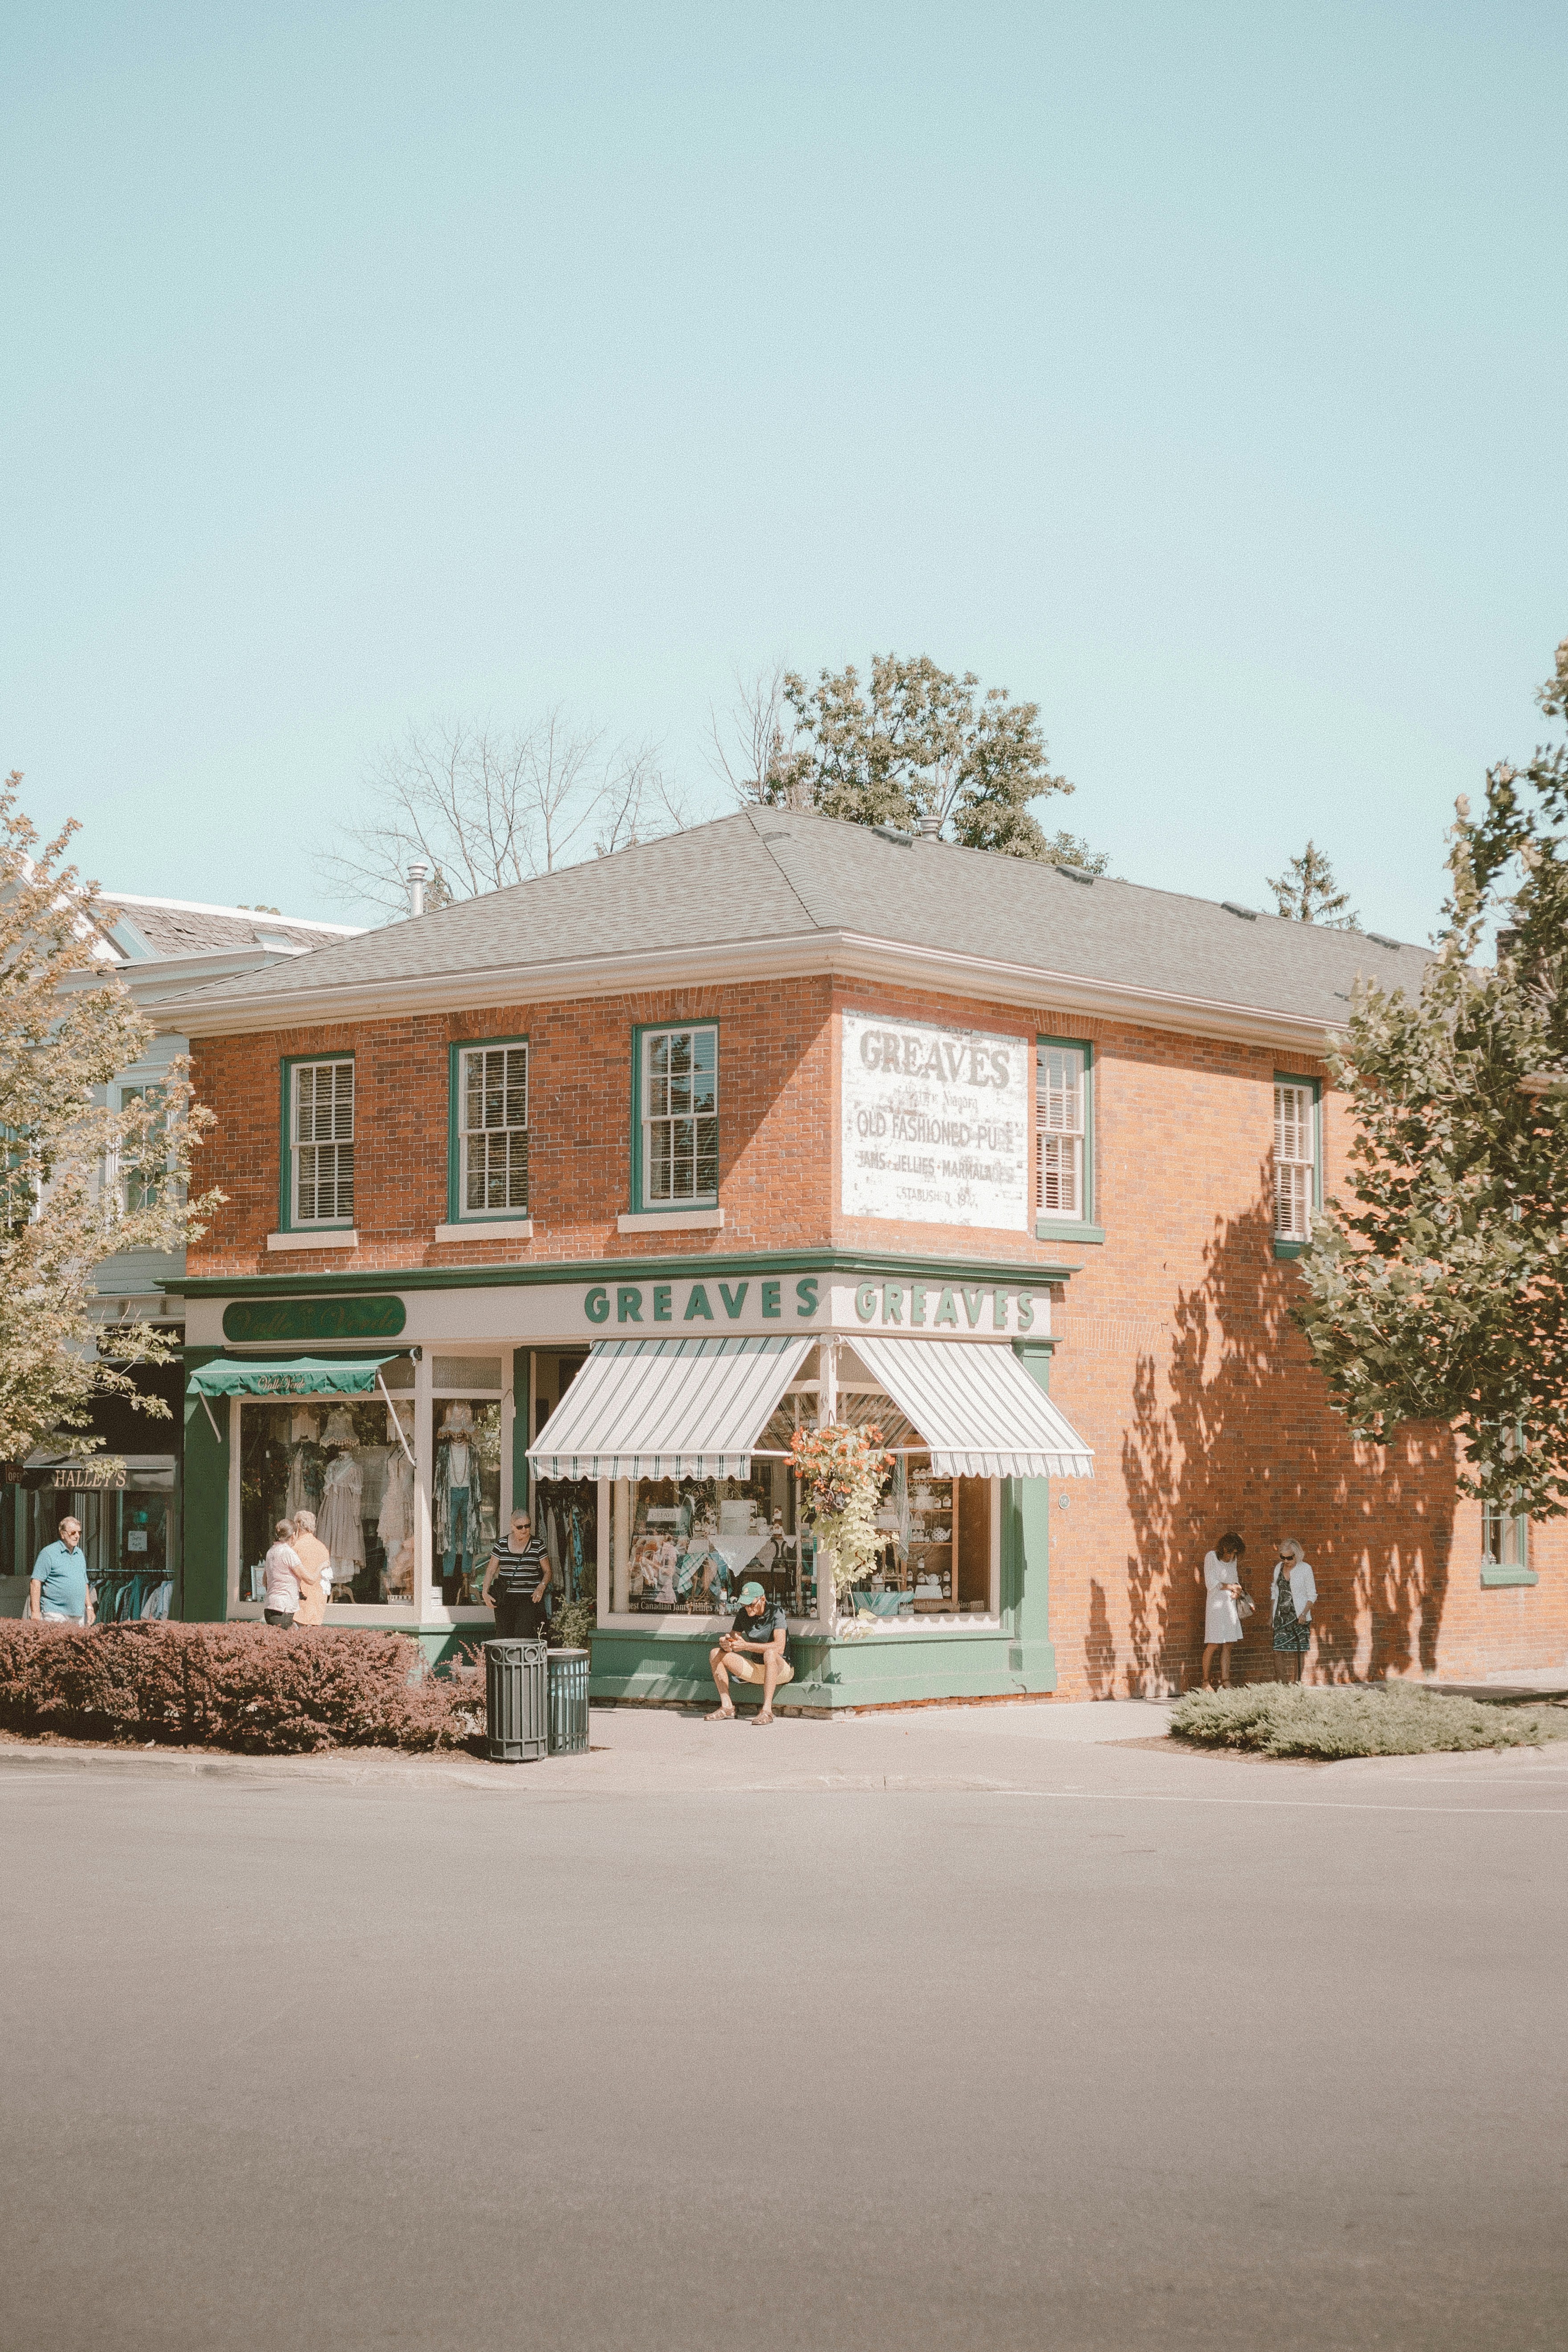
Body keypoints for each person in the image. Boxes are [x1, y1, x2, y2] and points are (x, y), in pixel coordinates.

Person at [707, 1580, 793, 1724]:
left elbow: (780, 1647)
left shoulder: (776, 1612)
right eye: (744, 1604)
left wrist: (746, 1646)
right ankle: (727, 1707)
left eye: (751, 1604)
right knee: (715, 1653)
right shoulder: (743, 1613)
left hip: (781, 1670)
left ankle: (767, 1711)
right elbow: (734, 1638)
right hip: (756, 1669)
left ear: (763, 1600)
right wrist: (726, 1642)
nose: (747, 1608)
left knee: (770, 1653)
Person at [480, 1507, 552, 1637]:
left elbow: (547, 1571)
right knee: (503, 1635)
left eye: (527, 1526)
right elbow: (491, 1570)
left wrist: (541, 1587)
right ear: (512, 1527)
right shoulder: (502, 1544)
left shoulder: (537, 1544)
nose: (524, 1530)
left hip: (529, 1599)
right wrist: (485, 1592)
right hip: (505, 1598)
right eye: (520, 1527)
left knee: (523, 1634)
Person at [1201, 1532, 1247, 1688]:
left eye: (1235, 1553)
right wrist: (1231, 1587)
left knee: (1229, 1644)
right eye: (1230, 1551)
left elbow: (1235, 1580)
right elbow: (1211, 1583)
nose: (1231, 1556)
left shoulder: (1233, 1560)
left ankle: (1226, 1680)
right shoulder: (1211, 1557)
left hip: (1229, 1605)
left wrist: (1237, 1590)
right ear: (1223, 1546)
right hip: (1215, 1606)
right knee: (1214, 1643)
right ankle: (1205, 1682)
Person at [29, 1515, 93, 1626]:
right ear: (63, 1534)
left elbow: (85, 1583)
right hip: (54, 1614)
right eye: (73, 1533)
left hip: (78, 1615)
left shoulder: (80, 1554)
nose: (77, 1536)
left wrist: (89, 1607)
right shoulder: (48, 1553)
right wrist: (36, 1613)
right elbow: (35, 1583)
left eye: (80, 1533)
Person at [1270, 1538, 1317, 1682]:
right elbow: (1274, 1592)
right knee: (1278, 1650)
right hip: (1281, 1616)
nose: (1285, 1561)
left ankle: (1297, 1683)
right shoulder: (1279, 1568)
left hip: (1299, 1616)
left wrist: (1304, 1613)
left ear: (1297, 1555)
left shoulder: (1305, 1569)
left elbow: (1312, 1595)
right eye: (1282, 1557)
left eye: (1289, 1558)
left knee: (1299, 1651)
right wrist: (1271, 1615)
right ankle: (1281, 1684)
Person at [290, 1510, 331, 1627]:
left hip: (300, 1604)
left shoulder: (295, 1547)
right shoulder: (322, 1548)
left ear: (297, 1525)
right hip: (318, 1604)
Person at [262, 1520, 304, 1629]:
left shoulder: (271, 1551)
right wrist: (322, 1566)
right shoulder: (288, 1552)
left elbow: (264, 1581)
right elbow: (307, 1578)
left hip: (269, 1608)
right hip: (284, 1608)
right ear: (294, 1535)